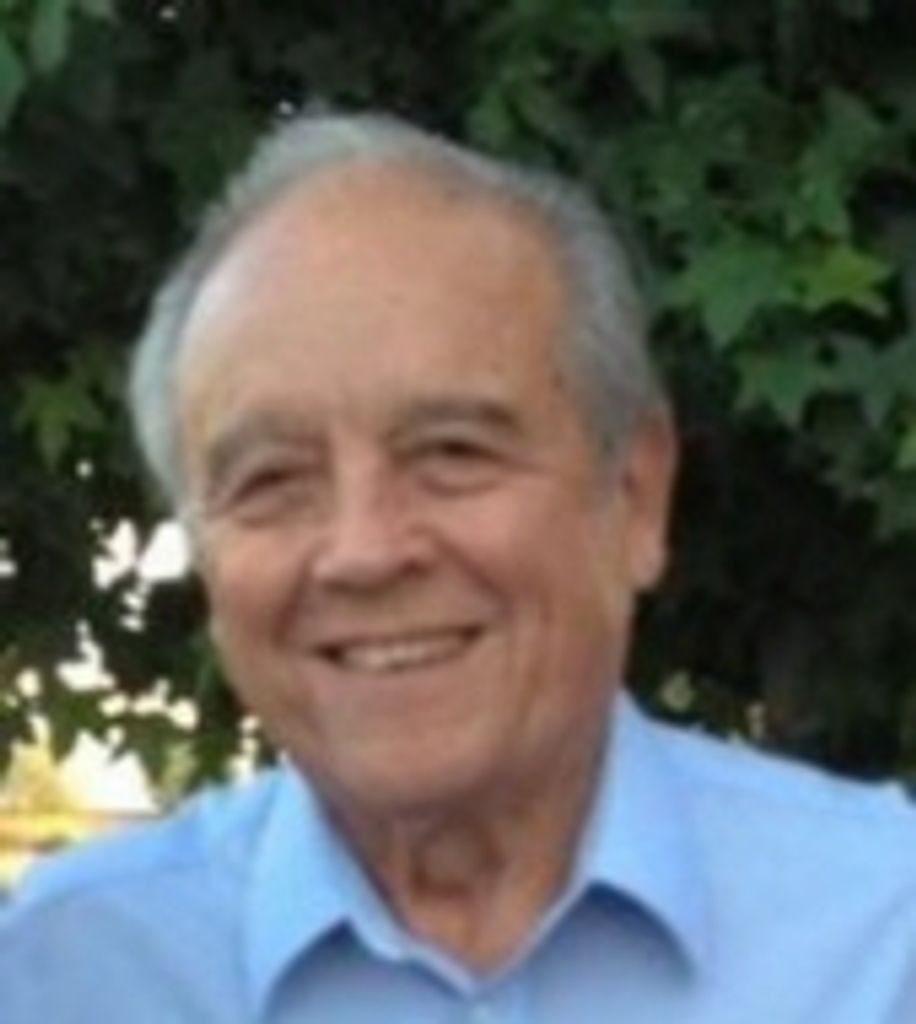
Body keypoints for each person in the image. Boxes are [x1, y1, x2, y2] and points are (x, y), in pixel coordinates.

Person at [2, 111, 915, 1023]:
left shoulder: (885, 936)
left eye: (452, 452)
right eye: (272, 480)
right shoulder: (64, 976)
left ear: (635, 494)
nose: (364, 552)